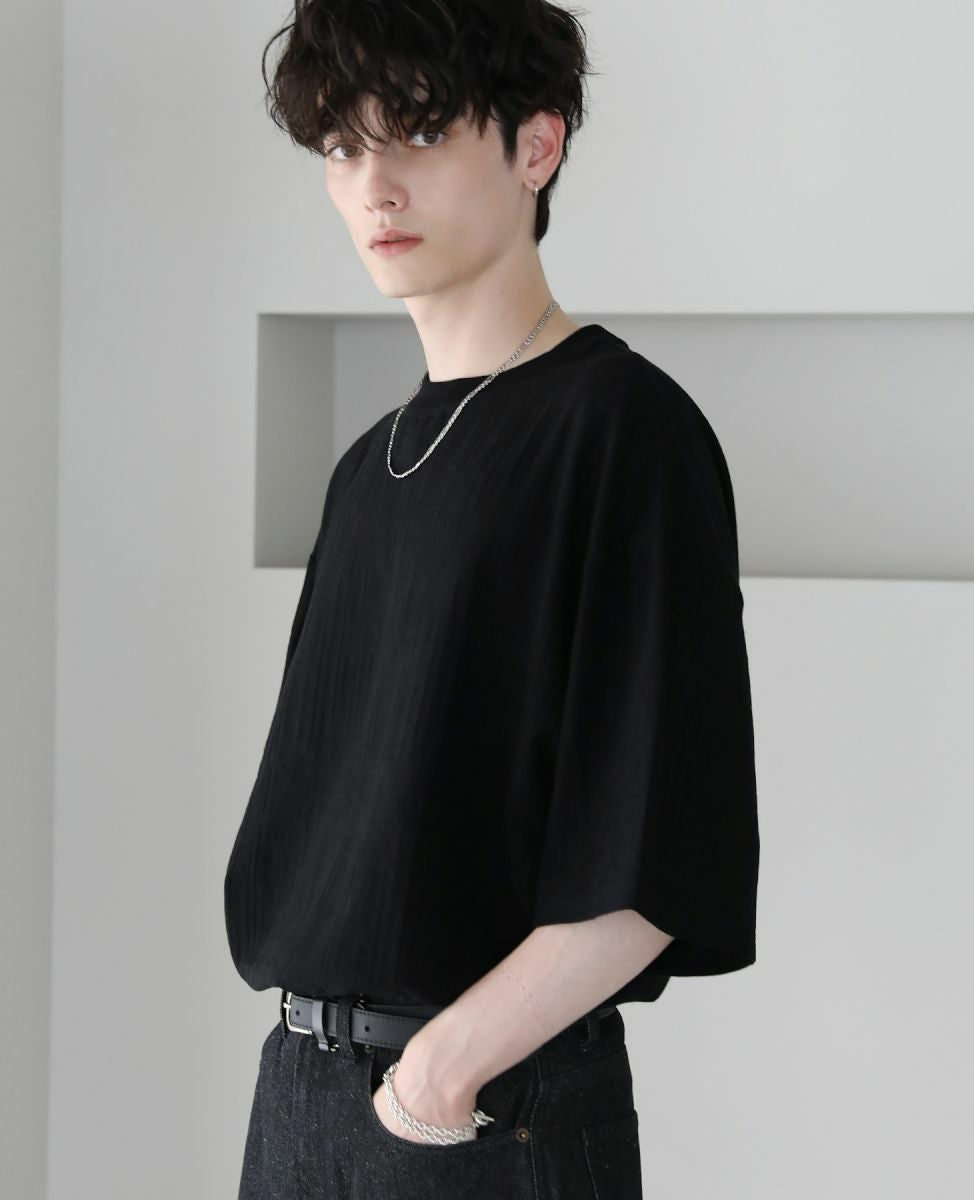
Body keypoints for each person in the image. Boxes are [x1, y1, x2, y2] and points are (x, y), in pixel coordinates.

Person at [224, 2, 760, 1196]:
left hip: (479, 1111)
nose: (374, 186)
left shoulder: (620, 431)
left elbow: (658, 849)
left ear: (536, 145)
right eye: (342, 146)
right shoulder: (367, 466)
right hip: (302, 1094)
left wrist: (438, 1075)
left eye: (417, 133)